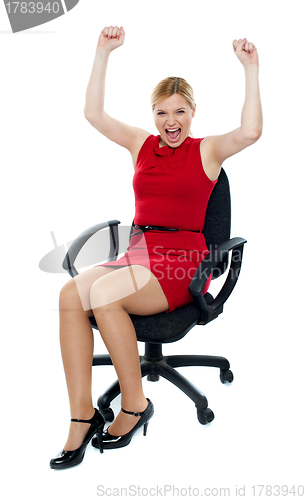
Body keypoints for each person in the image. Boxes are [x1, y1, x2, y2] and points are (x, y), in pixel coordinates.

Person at [50, 26, 262, 470]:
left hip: (182, 263)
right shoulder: (139, 145)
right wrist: (103, 53)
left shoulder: (208, 152)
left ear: (192, 113)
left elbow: (250, 132)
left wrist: (250, 68)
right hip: (139, 254)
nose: (172, 121)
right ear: (153, 115)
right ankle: (82, 416)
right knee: (69, 295)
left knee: (105, 295)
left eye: (180, 112)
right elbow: (93, 113)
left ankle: (134, 405)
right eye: (163, 112)